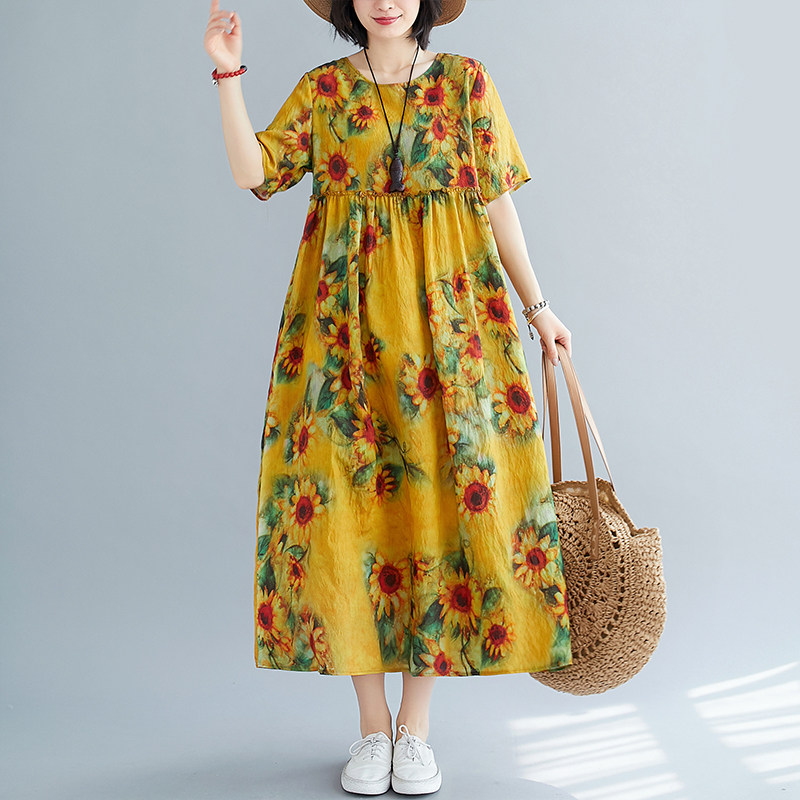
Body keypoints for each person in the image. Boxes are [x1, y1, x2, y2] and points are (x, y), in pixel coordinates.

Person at [204, 0, 574, 794]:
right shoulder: (324, 91)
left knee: (437, 512)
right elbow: (253, 172)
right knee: (349, 520)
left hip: (449, 339)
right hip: (342, 344)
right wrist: (226, 73)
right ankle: (371, 730)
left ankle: (416, 731)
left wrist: (539, 307)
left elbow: (498, 203)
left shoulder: (467, 84)